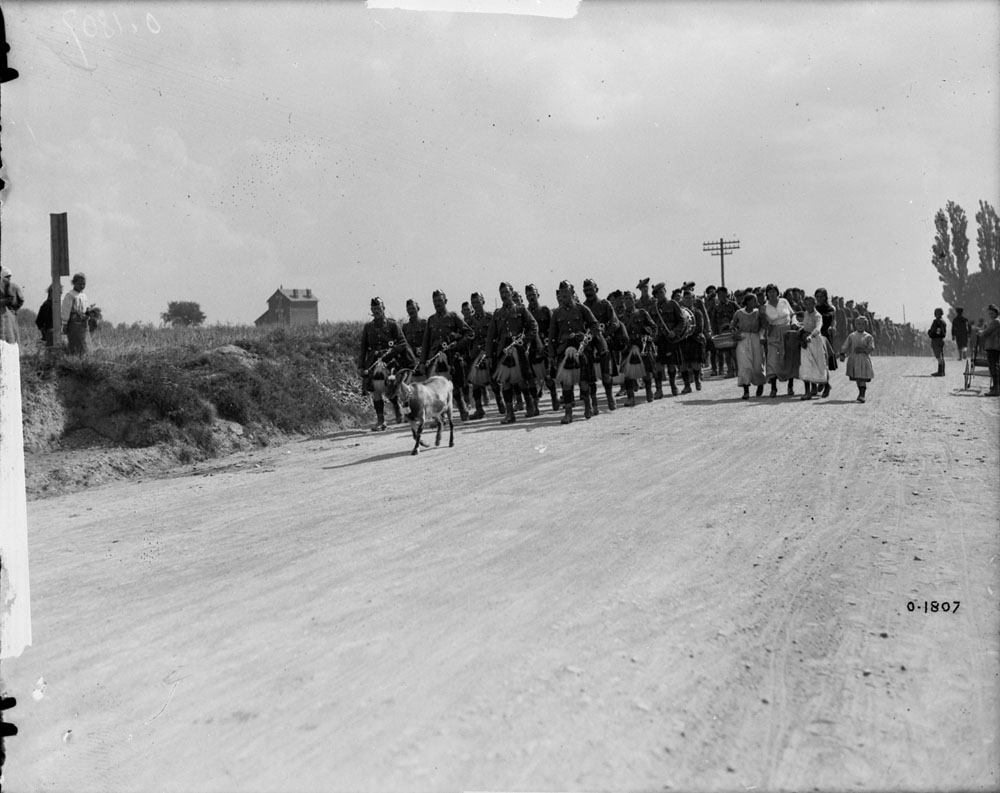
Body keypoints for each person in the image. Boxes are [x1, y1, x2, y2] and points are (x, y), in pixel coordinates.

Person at [549, 280, 606, 424]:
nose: (564, 297)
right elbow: (552, 336)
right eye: (561, 294)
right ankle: (568, 413)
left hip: (581, 348)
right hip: (564, 350)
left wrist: (588, 336)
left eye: (567, 294)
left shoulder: (582, 309)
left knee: (584, 381)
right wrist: (551, 354)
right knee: (567, 384)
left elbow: (595, 326)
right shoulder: (556, 313)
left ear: (573, 294)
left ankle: (588, 406)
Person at [485, 282, 541, 423]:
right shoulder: (497, 314)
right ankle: (510, 414)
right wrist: (489, 355)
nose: (504, 296)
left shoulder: (521, 310)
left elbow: (533, 326)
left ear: (511, 293)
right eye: (501, 293)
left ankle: (530, 406)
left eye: (506, 292)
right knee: (506, 381)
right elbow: (491, 336)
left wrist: (525, 340)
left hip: (519, 348)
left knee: (522, 379)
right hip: (503, 350)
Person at [357, 297, 413, 431]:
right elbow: (363, 348)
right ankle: (381, 421)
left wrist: (391, 352)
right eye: (374, 309)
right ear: (371, 310)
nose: (377, 311)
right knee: (376, 390)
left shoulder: (392, 325)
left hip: (391, 362)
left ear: (383, 309)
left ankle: (406, 413)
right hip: (374, 363)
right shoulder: (368, 327)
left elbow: (402, 343)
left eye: (379, 308)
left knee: (399, 389)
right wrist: (361, 366)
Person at [420, 289, 474, 421]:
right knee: (435, 389)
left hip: (451, 357)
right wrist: (422, 361)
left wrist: (457, 345)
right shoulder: (431, 320)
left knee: (455, 388)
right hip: (435, 358)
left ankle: (462, 407)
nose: (437, 303)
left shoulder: (454, 317)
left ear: (445, 301)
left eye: (440, 300)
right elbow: (426, 343)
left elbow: (469, 333)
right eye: (435, 301)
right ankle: (439, 417)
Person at [582, 278, 623, 413]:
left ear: (596, 289)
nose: (589, 292)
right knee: (590, 377)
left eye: (591, 289)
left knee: (606, 375)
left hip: (604, 343)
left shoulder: (605, 305)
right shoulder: (583, 307)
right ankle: (594, 404)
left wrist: (603, 334)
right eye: (586, 290)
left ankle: (610, 396)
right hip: (589, 345)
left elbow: (615, 322)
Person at [466, 291, 502, 419]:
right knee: (475, 381)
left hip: (489, 352)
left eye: (477, 302)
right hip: (476, 353)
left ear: (483, 301)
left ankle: (500, 402)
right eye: (473, 303)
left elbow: (497, 333)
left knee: (494, 379)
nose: (476, 305)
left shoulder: (490, 317)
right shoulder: (470, 321)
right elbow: (468, 336)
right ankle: (479, 409)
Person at [619, 290, 657, 405]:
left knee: (646, 371)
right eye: (626, 299)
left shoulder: (642, 313)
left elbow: (654, 327)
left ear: (634, 300)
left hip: (642, 345)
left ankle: (649, 391)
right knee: (628, 374)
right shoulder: (621, 318)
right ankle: (631, 398)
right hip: (628, 346)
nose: (628, 301)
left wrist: (650, 337)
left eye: (630, 299)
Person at [525, 283, 559, 411]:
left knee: (548, 376)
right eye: (529, 295)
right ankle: (535, 404)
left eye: (533, 295)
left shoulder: (545, 310)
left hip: (544, 347)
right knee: (531, 378)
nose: (531, 298)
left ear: (538, 295)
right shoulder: (525, 312)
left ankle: (554, 397)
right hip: (531, 349)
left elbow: (554, 328)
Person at [761, 283, 798, 397]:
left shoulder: (784, 302)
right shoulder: (764, 307)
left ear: (777, 292)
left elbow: (792, 314)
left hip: (788, 331)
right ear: (766, 294)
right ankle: (773, 388)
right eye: (769, 292)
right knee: (773, 359)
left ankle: (790, 386)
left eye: (774, 291)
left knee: (788, 358)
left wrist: (794, 322)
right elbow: (763, 324)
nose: (772, 294)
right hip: (774, 333)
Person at [731, 292, 766, 400]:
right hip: (743, 339)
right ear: (747, 302)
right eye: (753, 300)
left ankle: (760, 384)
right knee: (744, 364)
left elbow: (764, 326)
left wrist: (762, 336)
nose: (756, 303)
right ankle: (746, 390)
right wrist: (735, 333)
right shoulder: (739, 313)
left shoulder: (758, 312)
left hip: (756, 338)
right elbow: (732, 326)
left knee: (757, 363)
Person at [797, 295, 830, 400]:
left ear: (814, 304)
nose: (808, 306)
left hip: (815, 341)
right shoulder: (806, 313)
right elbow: (805, 325)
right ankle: (808, 392)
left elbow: (818, 327)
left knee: (819, 365)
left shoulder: (817, 315)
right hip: (805, 341)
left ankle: (826, 385)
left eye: (810, 303)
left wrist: (811, 336)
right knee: (806, 364)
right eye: (806, 304)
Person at [840, 316, 875, 403]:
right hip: (854, 359)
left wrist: (863, 350)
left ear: (865, 325)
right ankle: (860, 392)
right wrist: (842, 353)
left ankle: (862, 395)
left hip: (863, 359)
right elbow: (846, 345)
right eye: (859, 324)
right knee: (858, 377)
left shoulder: (868, 336)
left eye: (863, 324)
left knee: (862, 377)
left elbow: (871, 347)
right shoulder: (852, 336)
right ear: (855, 325)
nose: (860, 326)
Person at [61, 272, 91, 354]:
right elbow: (65, 309)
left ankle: (82, 357)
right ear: (74, 283)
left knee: (83, 341)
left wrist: (88, 312)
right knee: (75, 341)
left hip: (82, 322)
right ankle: (74, 358)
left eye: (83, 284)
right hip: (73, 322)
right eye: (80, 284)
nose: (82, 286)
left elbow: (85, 307)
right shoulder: (70, 295)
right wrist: (64, 323)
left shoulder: (84, 295)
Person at [0, 266, 25, 344]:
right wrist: (14, 310)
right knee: (11, 339)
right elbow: (21, 300)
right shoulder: (14, 286)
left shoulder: (9, 286)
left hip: (5, 315)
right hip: (11, 314)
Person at [981, 304, 1000, 397]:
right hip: (996, 346)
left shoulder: (995, 322)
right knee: (995, 366)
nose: (990, 315)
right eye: (989, 314)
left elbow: (986, 332)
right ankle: (996, 387)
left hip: (992, 346)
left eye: (992, 313)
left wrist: (981, 332)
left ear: (996, 312)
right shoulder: (997, 321)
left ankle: (996, 389)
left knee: (993, 367)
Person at [928, 308, 948, 376]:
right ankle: (942, 371)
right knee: (941, 356)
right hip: (940, 339)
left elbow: (937, 331)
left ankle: (940, 371)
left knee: (938, 356)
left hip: (936, 339)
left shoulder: (938, 322)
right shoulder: (943, 321)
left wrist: (930, 333)